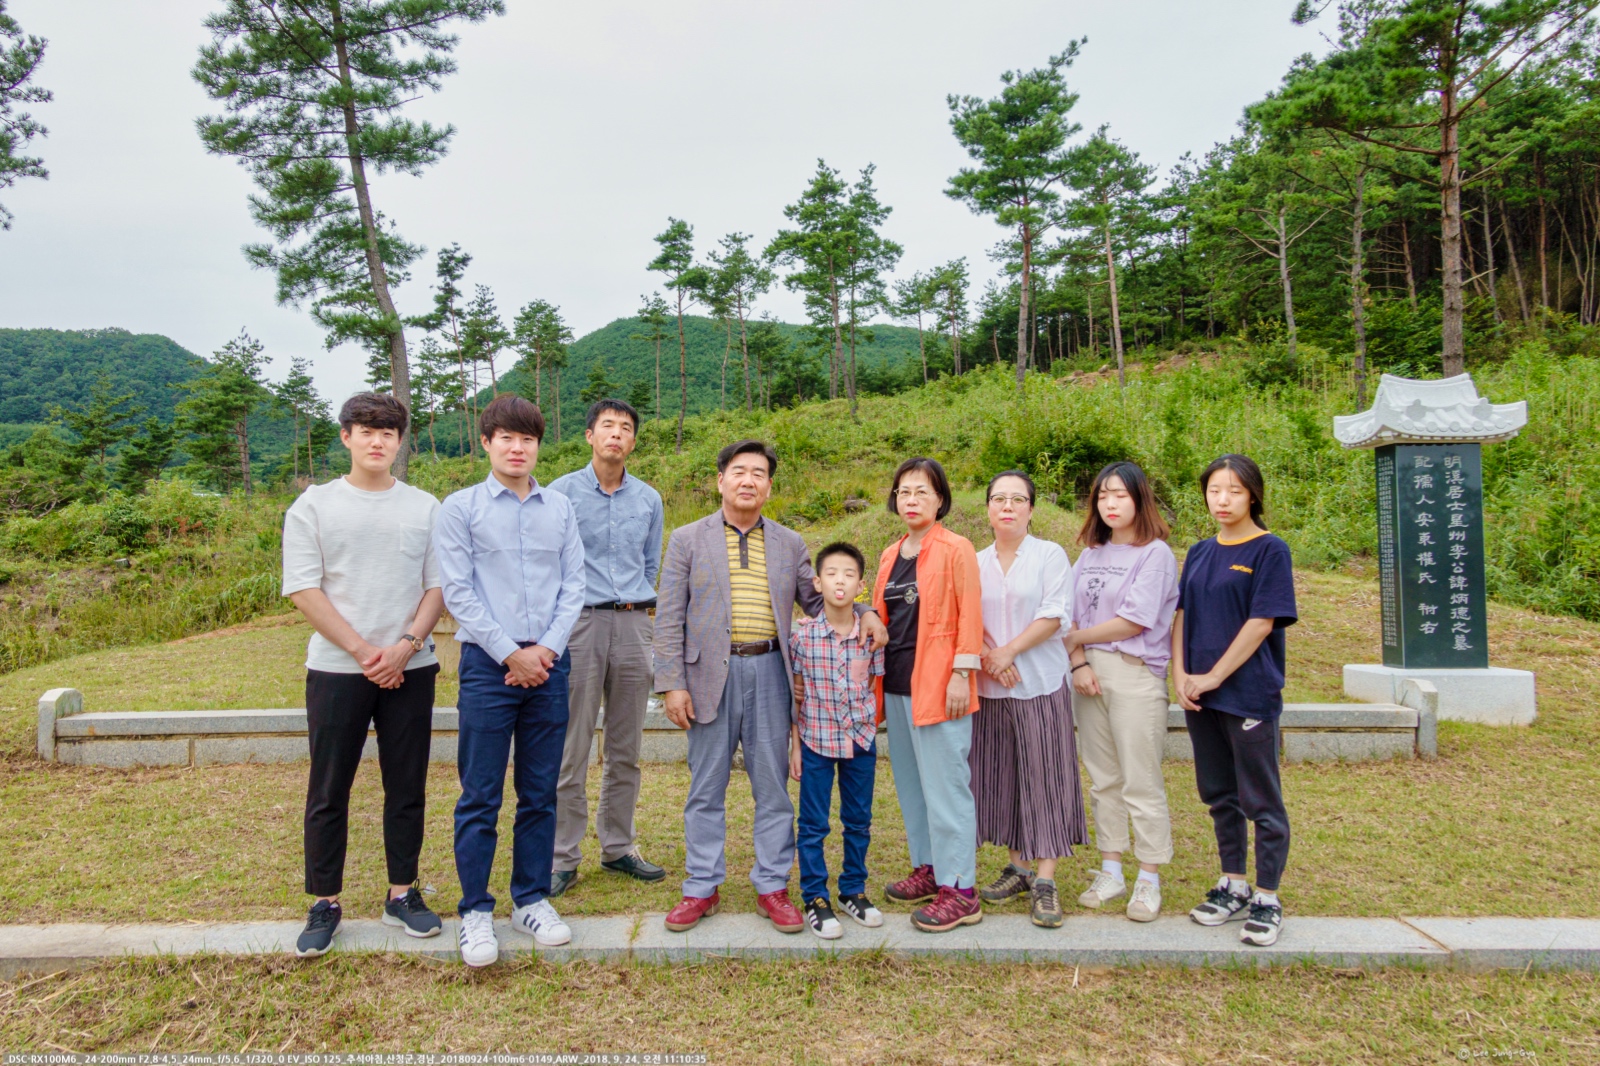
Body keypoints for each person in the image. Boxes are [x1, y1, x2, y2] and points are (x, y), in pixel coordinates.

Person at [653, 440, 888, 934]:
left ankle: (772, 886)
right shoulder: (687, 539)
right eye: (739, 471)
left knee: (773, 788)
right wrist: (672, 682)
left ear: (769, 486)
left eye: (758, 473)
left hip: (770, 674)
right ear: (720, 480)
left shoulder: (789, 542)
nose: (748, 481)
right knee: (705, 787)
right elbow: (669, 614)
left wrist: (865, 611)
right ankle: (701, 887)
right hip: (708, 677)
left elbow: (820, 599)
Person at [281, 391, 446, 958]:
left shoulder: (425, 507)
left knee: (407, 784)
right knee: (330, 788)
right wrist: (363, 652)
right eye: (366, 431)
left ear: (400, 442)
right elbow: (304, 587)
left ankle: (402, 892)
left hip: (411, 667)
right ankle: (325, 901)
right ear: (346, 437)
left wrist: (404, 647)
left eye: (388, 433)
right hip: (336, 668)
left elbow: (438, 585)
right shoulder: (314, 506)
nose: (377, 441)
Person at [434, 394, 586, 967]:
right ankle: (475, 910)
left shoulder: (561, 508)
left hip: (549, 664)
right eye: (507, 438)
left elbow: (575, 584)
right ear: (486, 443)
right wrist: (510, 654)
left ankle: (531, 899)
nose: (518, 448)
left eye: (528, 439)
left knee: (540, 790)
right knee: (481, 792)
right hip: (486, 665)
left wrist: (544, 650)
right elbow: (458, 592)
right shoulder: (460, 508)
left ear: (538, 446)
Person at [1172, 454, 1298, 948]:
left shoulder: (1270, 550)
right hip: (1200, 696)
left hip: (1247, 694)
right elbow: (1182, 614)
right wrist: (1181, 675)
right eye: (1214, 490)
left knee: (1260, 798)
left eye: (1234, 491)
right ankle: (1234, 884)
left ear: (1253, 496)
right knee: (1218, 793)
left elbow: (1261, 623)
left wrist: (1213, 676)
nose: (1222, 500)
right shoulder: (1200, 551)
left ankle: (1267, 896)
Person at [547, 399, 667, 896]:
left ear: (633, 441)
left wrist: (638, 606)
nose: (616, 434)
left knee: (626, 747)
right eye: (607, 426)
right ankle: (561, 856)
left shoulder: (649, 499)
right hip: (580, 624)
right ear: (590, 435)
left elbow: (650, 564)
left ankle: (618, 846)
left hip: (635, 624)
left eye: (626, 428)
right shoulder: (560, 493)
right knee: (571, 745)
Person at [970, 470, 1087, 929]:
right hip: (992, 687)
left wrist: (1008, 652)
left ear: (1031, 509)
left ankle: (1045, 879)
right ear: (987, 508)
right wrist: (989, 657)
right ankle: (1017, 868)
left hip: (1039, 683)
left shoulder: (1049, 555)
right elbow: (966, 617)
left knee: (1045, 775)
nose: (1008, 506)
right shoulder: (974, 561)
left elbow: (1055, 615)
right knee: (1005, 777)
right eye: (999, 498)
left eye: (1018, 499)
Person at [1064, 461, 1179, 923]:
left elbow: (1135, 620)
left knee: (1140, 779)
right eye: (1102, 496)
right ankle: (1111, 870)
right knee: (1103, 777)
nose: (1110, 504)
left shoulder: (1156, 554)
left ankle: (1148, 877)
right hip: (1087, 674)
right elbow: (1066, 615)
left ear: (1139, 499)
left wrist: (1077, 640)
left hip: (1134, 674)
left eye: (1120, 495)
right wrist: (1078, 662)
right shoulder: (1089, 555)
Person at [874, 457, 986, 934]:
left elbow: (971, 614)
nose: (911, 499)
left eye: (922, 491)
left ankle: (960, 889)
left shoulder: (957, 548)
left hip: (940, 687)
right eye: (904, 491)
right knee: (913, 787)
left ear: (940, 499)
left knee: (946, 789)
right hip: (898, 687)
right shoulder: (890, 554)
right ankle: (929, 867)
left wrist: (962, 673)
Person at [788, 541, 887, 940]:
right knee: (813, 824)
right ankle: (815, 896)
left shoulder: (871, 637)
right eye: (831, 574)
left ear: (861, 585)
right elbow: (796, 698)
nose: (839, 581)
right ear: (817, 583)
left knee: (858, 821)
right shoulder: (803, 638)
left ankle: (852, 890)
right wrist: (796, 746)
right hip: (816, 740)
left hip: (860, 742)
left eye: (849, 574)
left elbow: (874, 685)